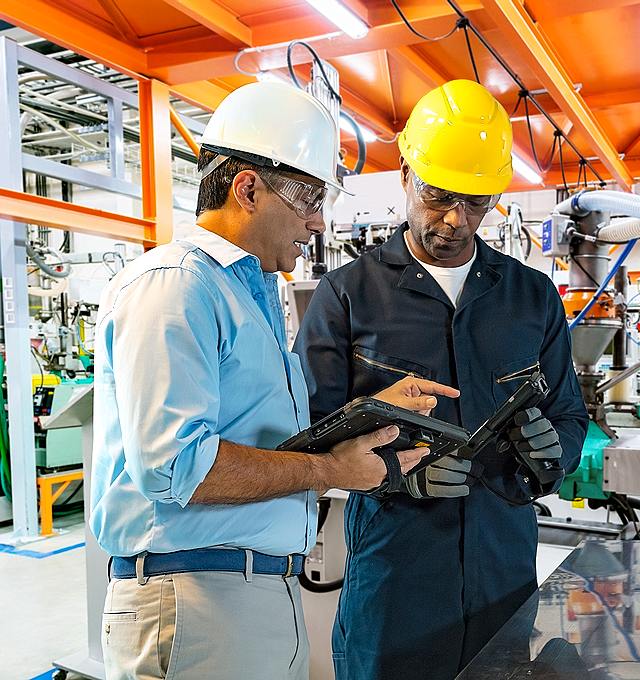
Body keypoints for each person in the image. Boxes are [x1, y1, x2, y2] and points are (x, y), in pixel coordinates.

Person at [90, 81, 458, 680]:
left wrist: (364, 415)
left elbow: (264, 446)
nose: (318, 220)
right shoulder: (176, 286)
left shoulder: (252, 295)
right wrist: (330, 470)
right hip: (196, 600)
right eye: (309, 197)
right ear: (247, 188)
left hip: (252, 593)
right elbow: (175, 466)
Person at [294, 79, 589, 680]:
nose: (455, 220)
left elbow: (570, 414)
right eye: (438, 196)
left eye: (476, 203)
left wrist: (553, 455)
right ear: (405, 174)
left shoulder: (532, 296)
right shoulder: (347, 296)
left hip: (503, 570)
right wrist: (394, 474)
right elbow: (313, 433)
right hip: (395, 575)